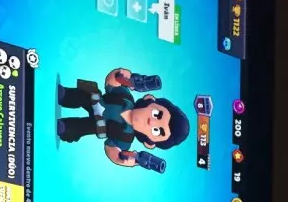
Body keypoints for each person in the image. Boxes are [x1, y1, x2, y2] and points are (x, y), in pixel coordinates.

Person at [56, 67, 190, 168]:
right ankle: (65, 95)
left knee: (81, 128)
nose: (151, 121)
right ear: (150, 99)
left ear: (150, 143)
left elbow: (111, 151)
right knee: (85, 94)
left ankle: (66, 128)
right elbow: (111, 82)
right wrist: (125, 77)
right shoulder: (126, 97)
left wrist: (125, 159)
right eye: (156, 114)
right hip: (95, 100)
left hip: (96, 125)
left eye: (156, 130)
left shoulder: (125, 138)